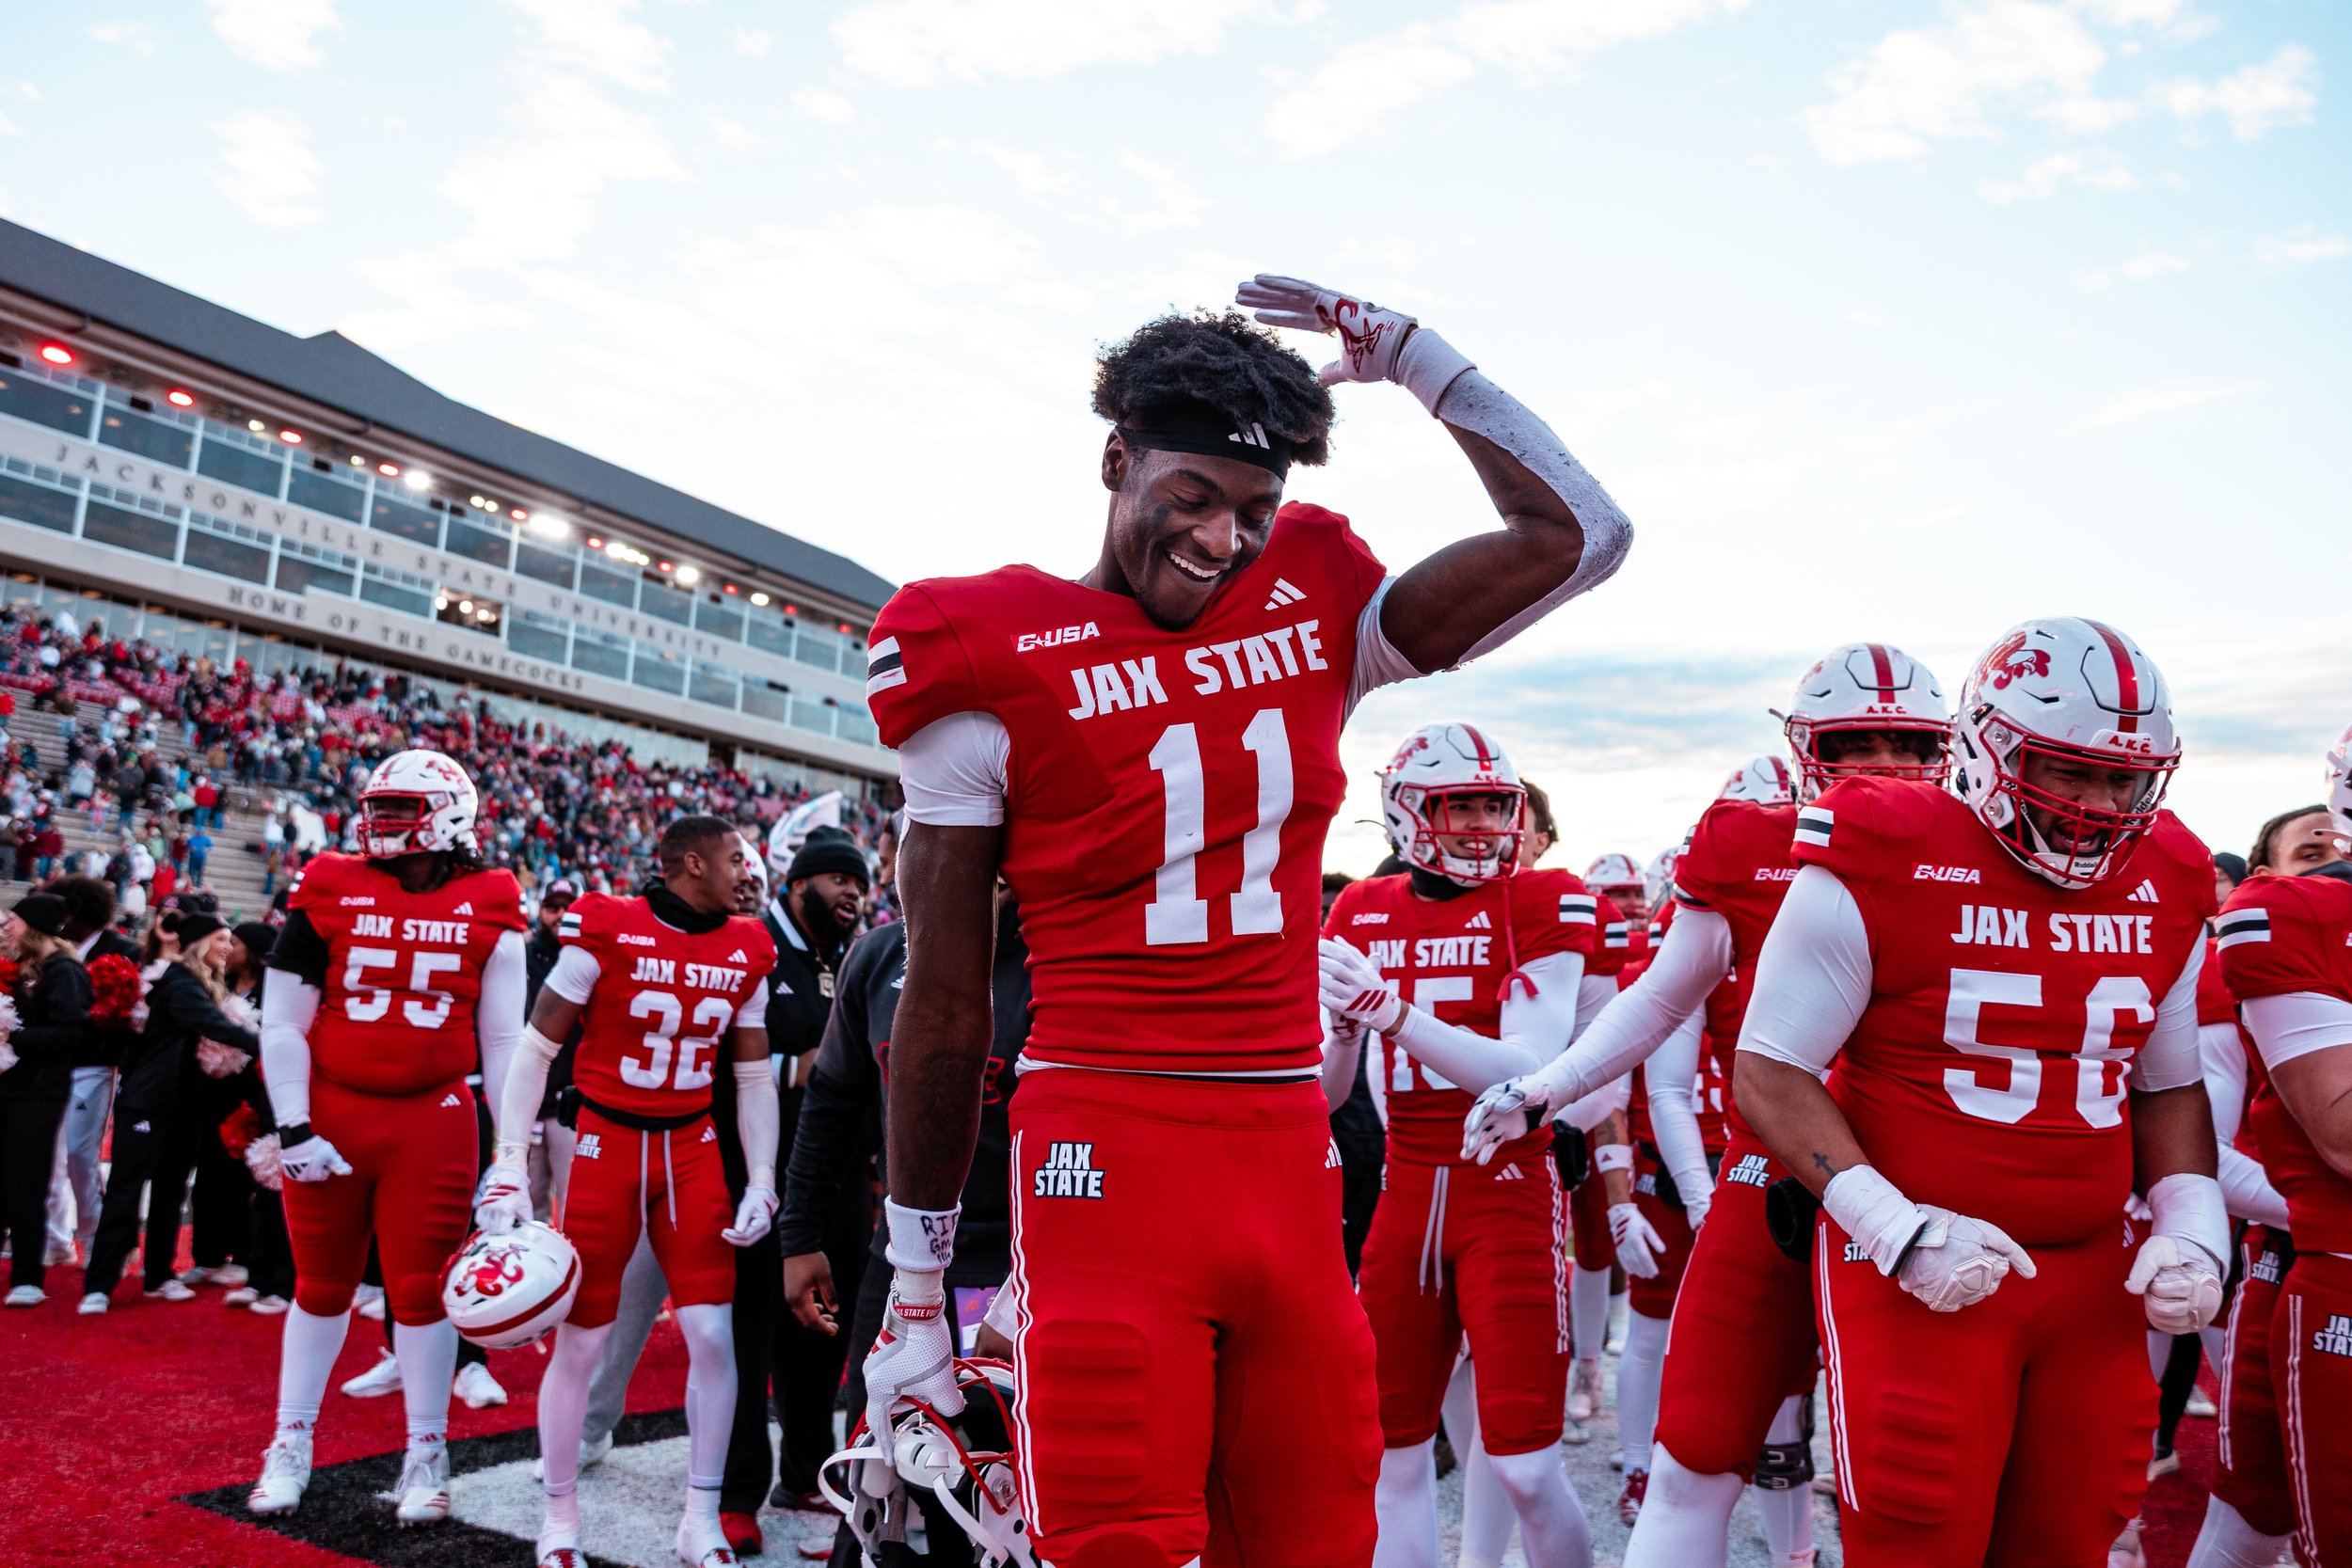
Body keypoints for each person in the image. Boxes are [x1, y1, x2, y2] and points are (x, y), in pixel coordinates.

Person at [866, 277, 1630, 1566]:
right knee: (1115, 1537)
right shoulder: (978, 639)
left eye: (1254, 509)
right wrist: (921, 1283)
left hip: (1286, 1152)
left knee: (1320, 1536)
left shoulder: (1312, 595)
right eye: (1196, 497)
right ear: (1119, 459)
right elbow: (939, 996)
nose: (1225, 538)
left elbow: (1585, 534)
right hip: (1102, 1146)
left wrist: (1422, 362)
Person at [1731, 618, 2227, 1567]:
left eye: (2124, 779)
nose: (2099, 806)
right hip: (1917, 1269)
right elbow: (1771, 1066)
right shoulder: (1885, 846)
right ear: (1988, 747)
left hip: (2091, 1273)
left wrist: (2193, 1217)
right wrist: (1895, 1225)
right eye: (2068, 772)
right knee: (1918, 1534)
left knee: (2070, 1533)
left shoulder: (2167, 871)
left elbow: (2167, 1086)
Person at [1465, 643, 1950, 1565]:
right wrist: (1547, 1085)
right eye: (1856, 741)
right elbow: (1658, 998)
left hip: (1932, 1179)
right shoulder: (1749, 843)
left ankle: (1801, 1546)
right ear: (1808, 746)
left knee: (1913, 1481)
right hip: (1772, 1172)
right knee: (1697, 1450)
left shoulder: (1992, 845)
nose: (1885, 762)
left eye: (1909, 741)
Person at [1319, 724, 1596, 1568]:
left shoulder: (1544, 896)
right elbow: (1331, 1093)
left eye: (1493, 802)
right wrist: (1339, 1031)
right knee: (1390, 1453)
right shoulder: (1361, 908)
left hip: (1507, 1191)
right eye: (1457, 803)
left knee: (1524, 1463)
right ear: (1406, 813)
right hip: (1407, 1192)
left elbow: (1525, 1067)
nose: (1480, 822)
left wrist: (1391, 1012)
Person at [476, 815, 777, 1568]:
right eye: (735, 857)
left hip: (691, 1146)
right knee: (582, 1340)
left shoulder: (748, 946)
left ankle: (700, 1518)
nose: (749, 870)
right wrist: (510, 1159)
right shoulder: (608, 924)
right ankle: (559, 1517)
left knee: (712, 1335)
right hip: (607, 1140)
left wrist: (764, 1177)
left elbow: (750, 1076)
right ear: (687, 864)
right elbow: (537, 1046)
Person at [246, 750, 528, 1525]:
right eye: (379, 807)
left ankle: (426, 1452)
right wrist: (293, 1124)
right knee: (321, 1287)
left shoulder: (493, 898)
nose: (380, 823)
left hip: (431, 1117)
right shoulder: (329, 883)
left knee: (422, 1293)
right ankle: (291, 1442)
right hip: (333, 1110)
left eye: (400, 809)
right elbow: (282, 1020)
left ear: (449, 815)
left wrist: (511, 1155)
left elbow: (504, 1040)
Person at [783, 879, 1032, 1564]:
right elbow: (831, 1106)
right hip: (903, 1259)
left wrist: (1024, 1289)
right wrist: (799, 1234)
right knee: (874, 1472)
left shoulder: (1058, 960)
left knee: (993, 1492)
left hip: (1019, 1261)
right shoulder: (879, 955)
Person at [2206, 737, 2352, 1566]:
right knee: (2256, 1509)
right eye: (2310, 854)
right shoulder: (2281, 929)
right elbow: (2203, 1151)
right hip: (2299, 1243)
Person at [715, 824, 869, 1551]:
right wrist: (795, 1068)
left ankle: (803, 1470)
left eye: (862, 884)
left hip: (831, 1175)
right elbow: (713, 1052)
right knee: (749, 1334)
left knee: (824, 1326)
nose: (853, 894)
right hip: (752, 1171)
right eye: (841, 879)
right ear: (801, 879)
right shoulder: (748, 943)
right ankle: (733, 1492)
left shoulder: (847, 956)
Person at [78, 914, 259, 1310]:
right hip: (150, 1101)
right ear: (198, 943)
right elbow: (214, 1026)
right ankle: (99, 1285)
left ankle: (158, 1275)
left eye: (231, 941)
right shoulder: (180, 983)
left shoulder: (205, 983)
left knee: (171, 1191)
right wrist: (271, 1047)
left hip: (186, 1104)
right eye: (221, 939)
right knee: (127, 1190)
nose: (229, 948)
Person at [44, 877, 140, 1268]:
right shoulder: (53, 952)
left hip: (97, 1065)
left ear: (77, 911)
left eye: (62, 913)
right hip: (53, 1064)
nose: (58, 922)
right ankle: (55, 1240)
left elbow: (131, 1013)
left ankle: (96, 1238)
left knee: (81, 1155)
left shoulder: (123, 950)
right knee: (49, 1158)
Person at [0, 892, 89, 1307]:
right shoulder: (26, 967)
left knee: (25, 1182)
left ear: (33, 926)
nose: (5, 928)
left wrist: (10, 1036)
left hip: (39, 1091)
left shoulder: (64, 971)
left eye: (12, 921)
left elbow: (72, 1035)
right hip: (14, 1087)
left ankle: (28, 1278)